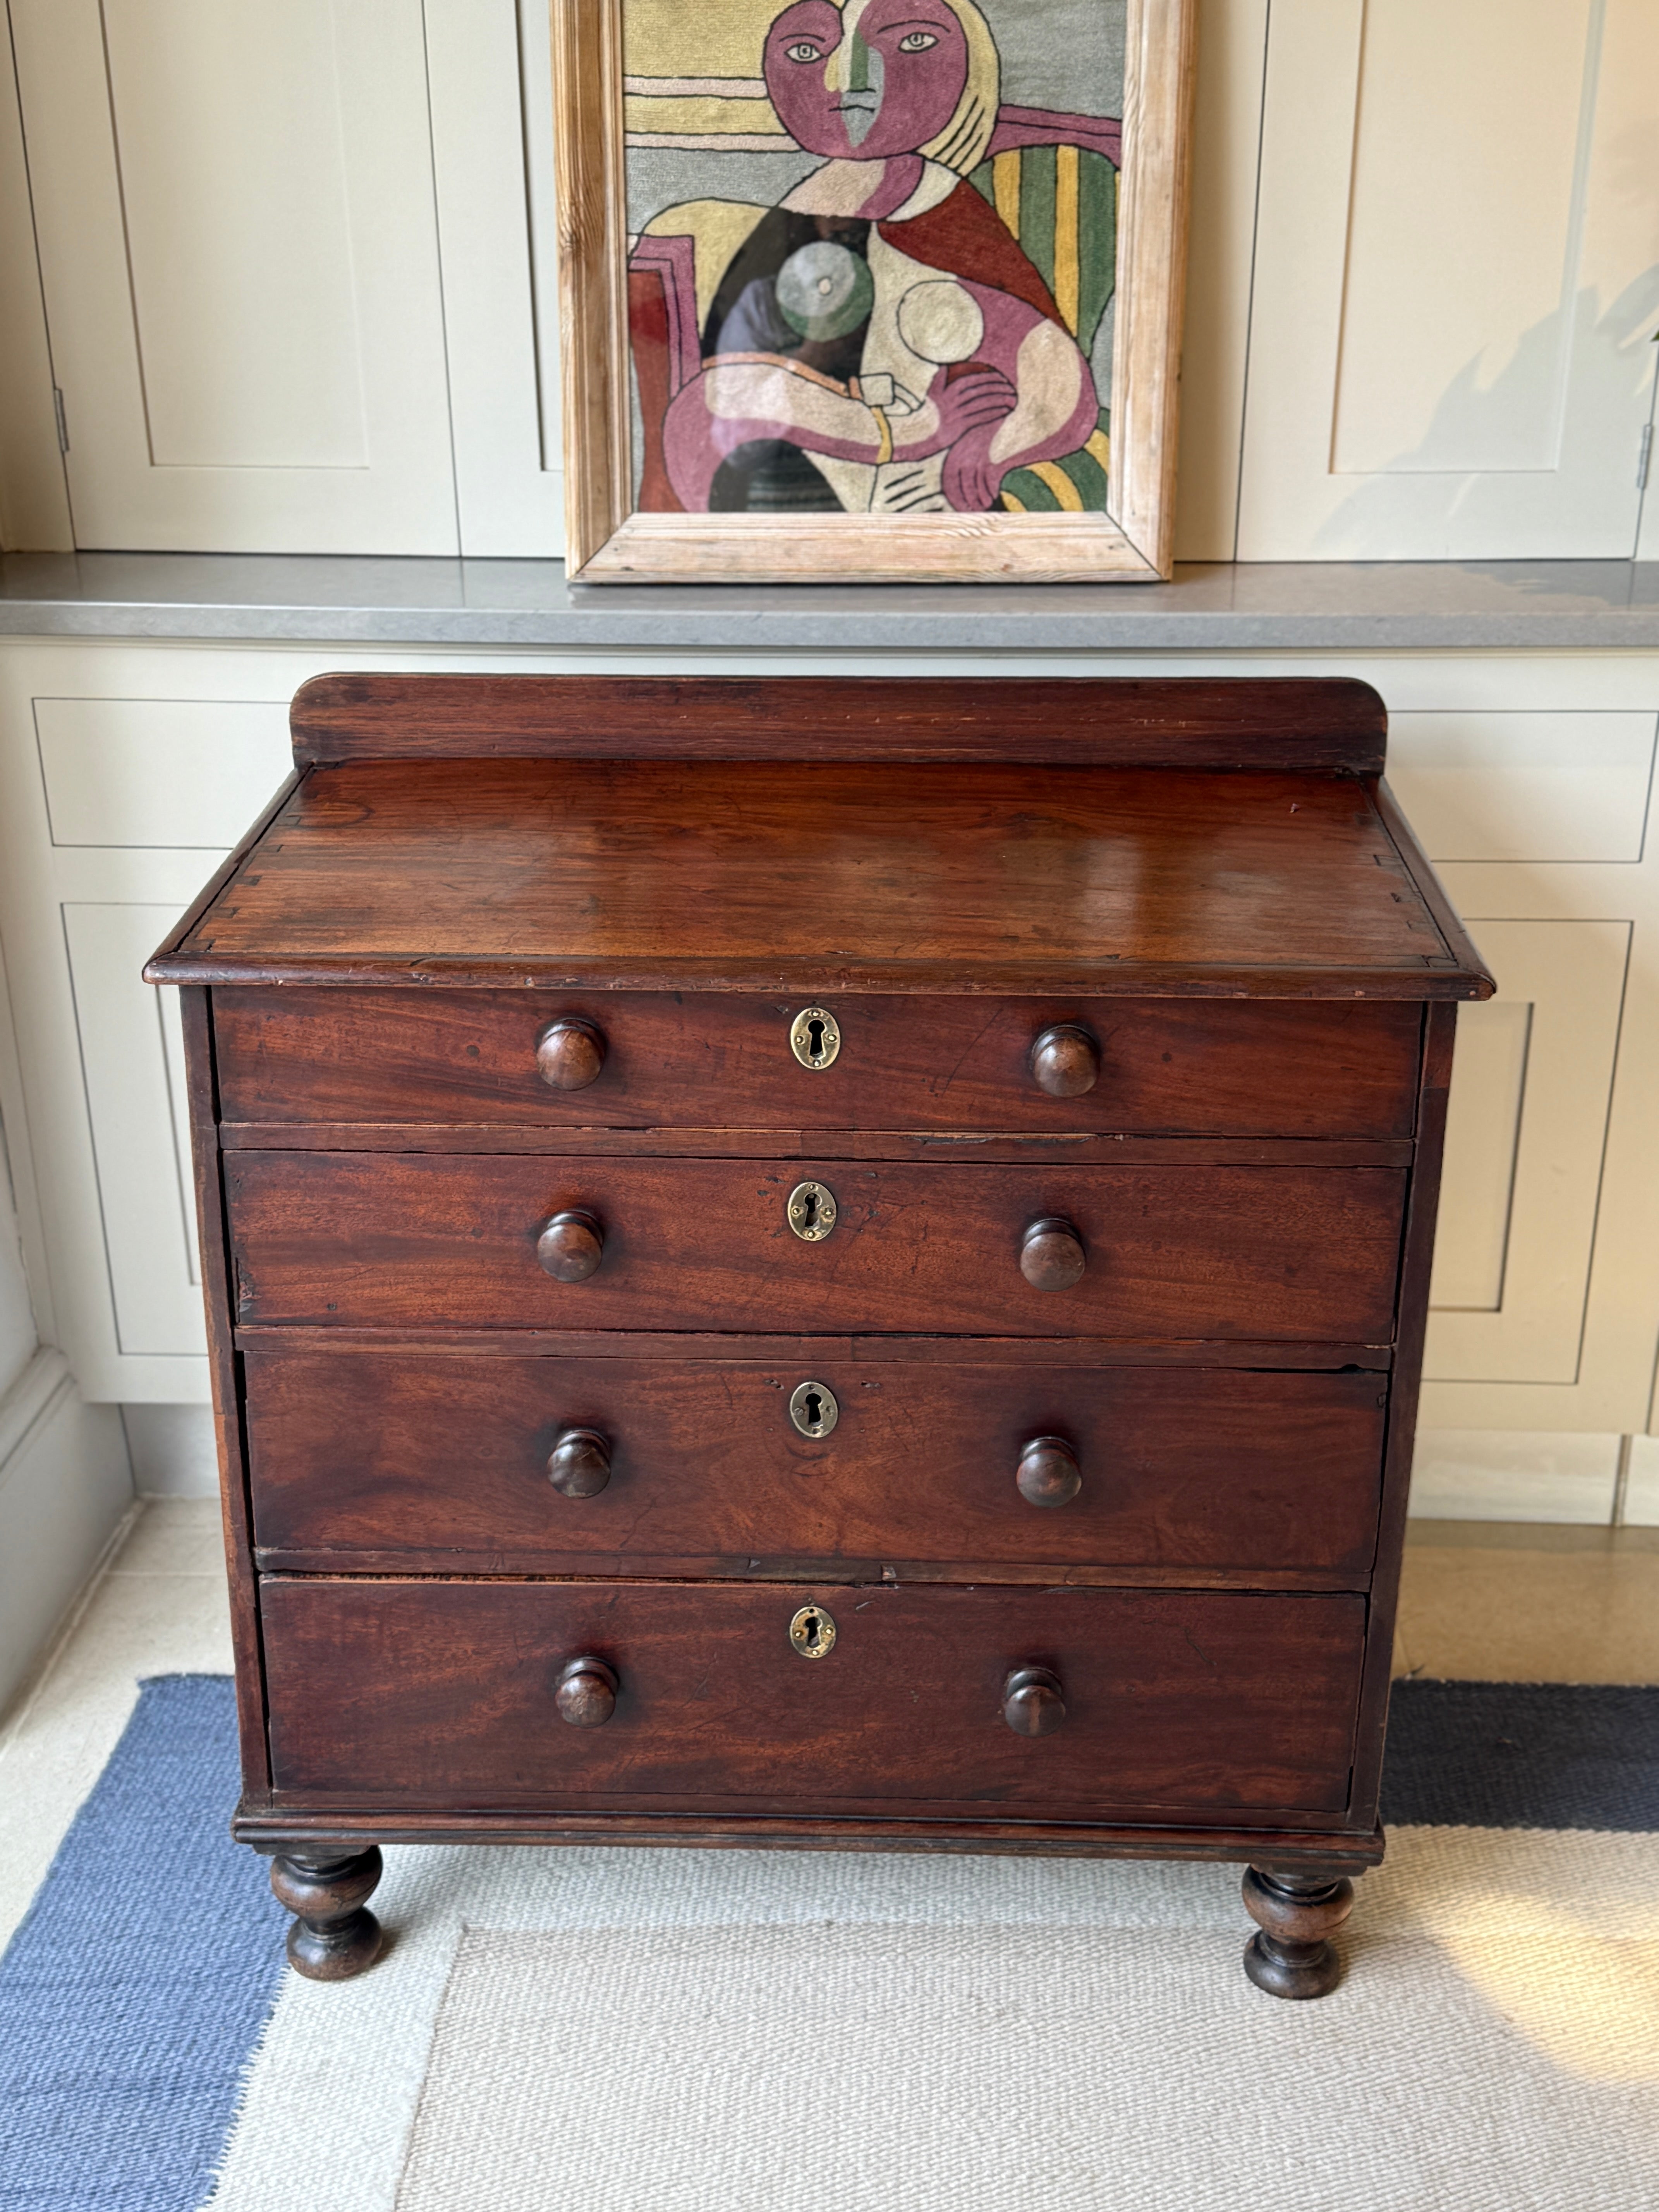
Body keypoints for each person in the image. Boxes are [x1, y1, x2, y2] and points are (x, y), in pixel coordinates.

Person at [640, 0, 1102, 515]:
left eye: (913, 43)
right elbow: (722, 399)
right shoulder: (799, 215)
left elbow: (1057, 382)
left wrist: (993, 449)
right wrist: (907, 430)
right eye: (805, 52)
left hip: (916, 492)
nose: (849, 81)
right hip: (801, 475)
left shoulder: (943, 215)